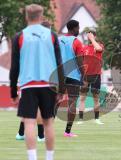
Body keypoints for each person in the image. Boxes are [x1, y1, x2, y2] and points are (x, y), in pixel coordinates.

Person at [10, 4, 64, 160]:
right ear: (41, 17)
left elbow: (14, 67)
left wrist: (13, 91)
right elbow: (60, 64)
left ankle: (32, 158)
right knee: (48, 123)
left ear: (27, 16)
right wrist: (61, 89)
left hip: (28, 85)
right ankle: (49, 157)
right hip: (49, 85)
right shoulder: (52, 35)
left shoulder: (19, 36)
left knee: (29, 123)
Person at [15, 21, 52, 142]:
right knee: (39, 109)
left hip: (26, 80)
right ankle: (41, 135)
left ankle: (20, 133)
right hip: (41, 80)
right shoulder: (47, 43)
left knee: (27, 109)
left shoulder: (28, 41)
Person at [58, 20, 84, 137]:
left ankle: (45, 129)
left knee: (55, 101)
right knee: (72, 102)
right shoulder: (77, 42)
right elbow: (79, 61)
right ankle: (67, 132)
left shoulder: (58, 40)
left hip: (59, 74)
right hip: (73, 75)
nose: (79, 30)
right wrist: (83, 74)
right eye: (78, 28)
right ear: (73, 28)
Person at [78, 27, 104, 125]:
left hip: (96, 75)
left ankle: (96, 118)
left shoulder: (99, 45)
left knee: (96, 98)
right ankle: (80, 119)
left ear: (94, 36)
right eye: (88, 35)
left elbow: (98, 49)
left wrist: (92, 39)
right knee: (82, 98)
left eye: (91, 34)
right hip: (85, 76)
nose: (89, 37)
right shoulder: (84, 48)